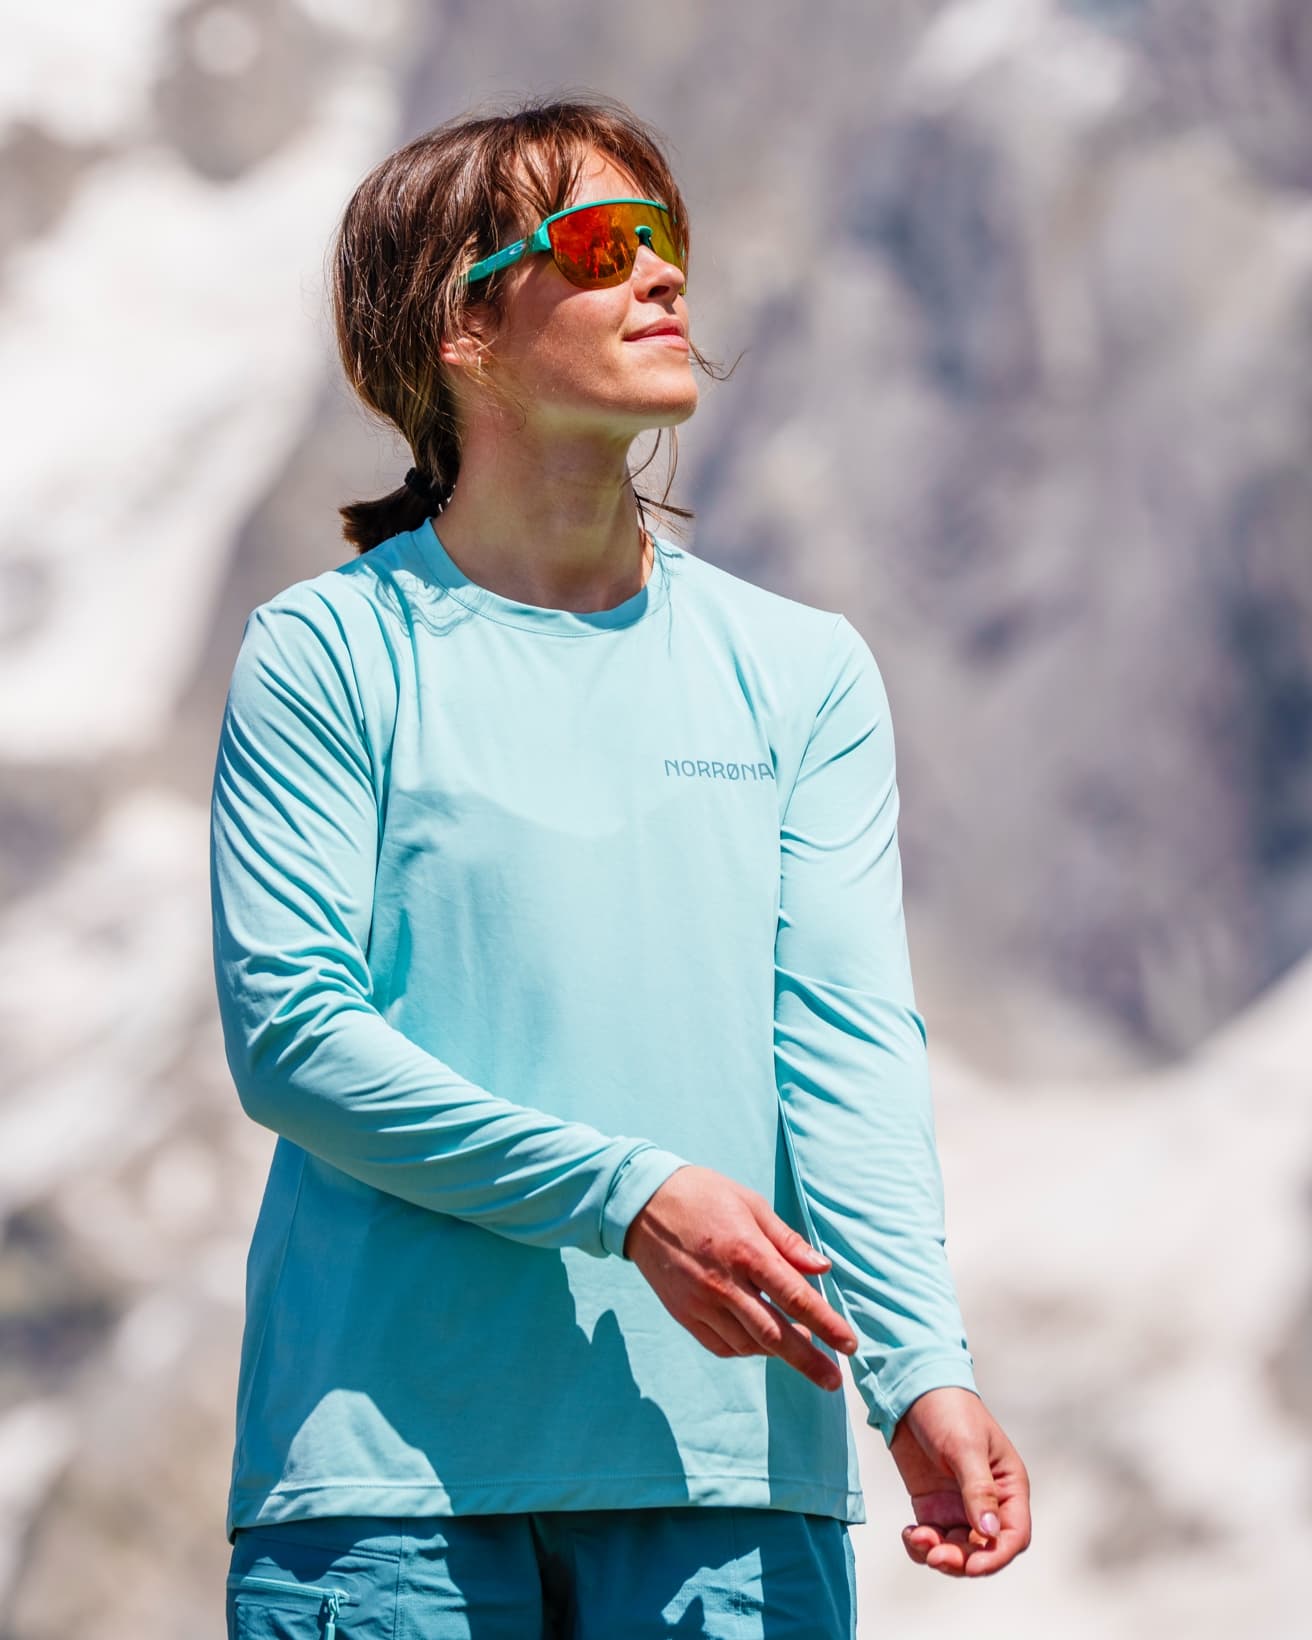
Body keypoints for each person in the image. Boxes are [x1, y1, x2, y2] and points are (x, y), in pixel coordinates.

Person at [211, 93, 1031, 1640]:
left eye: (670, 241)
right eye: (602, 243)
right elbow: (293, 1041)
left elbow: (846, 1053)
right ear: (461, 324)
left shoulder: (804, 671)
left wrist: (921, 1370)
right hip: (388, 1500)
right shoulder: (325, 654)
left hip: (735, 1489)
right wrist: (630, 1193)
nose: (663, 277)